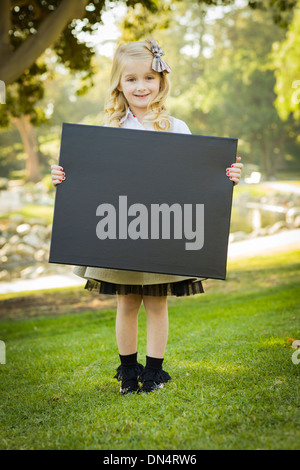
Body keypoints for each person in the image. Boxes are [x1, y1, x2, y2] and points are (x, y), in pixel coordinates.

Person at [51, 38, 243, 395]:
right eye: (132, 80)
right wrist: (65, 177)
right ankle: (128, 372)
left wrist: (224, 175)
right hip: (120, 227)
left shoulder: (177, 128)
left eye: (149, 78)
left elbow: (196, 178)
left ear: (161, 81)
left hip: (160, 228)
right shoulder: (109, 131)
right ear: (119, 85)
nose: (141, 87)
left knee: (156, 302)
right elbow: (91, 178)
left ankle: (153, 373)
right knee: (127, 302)